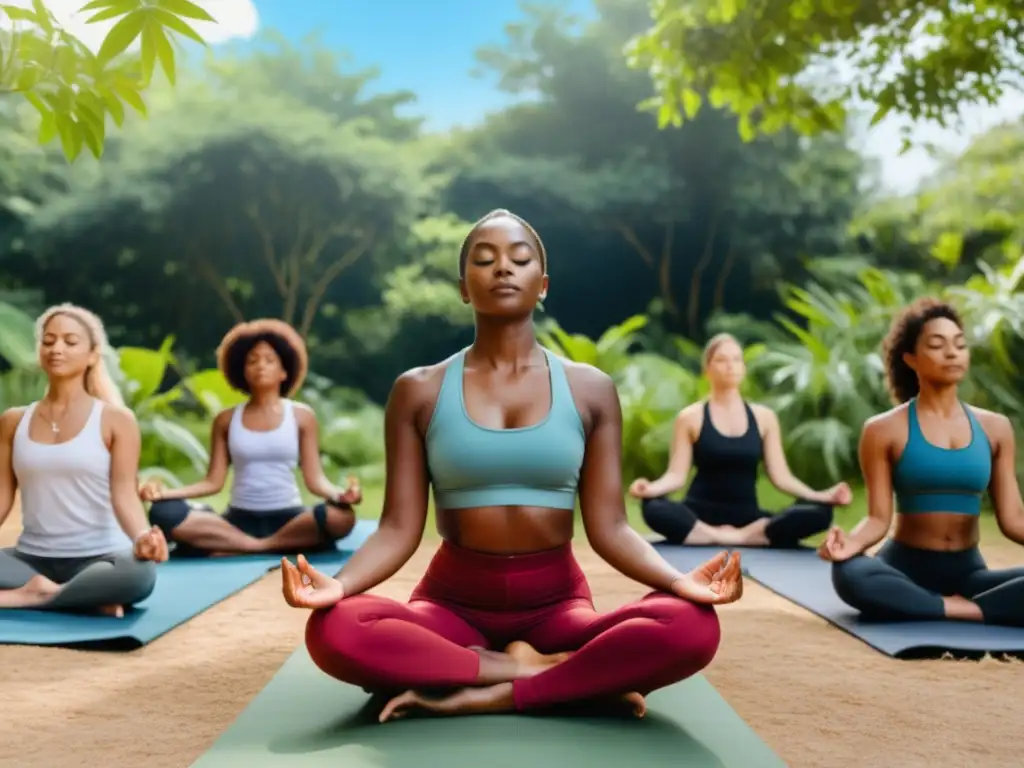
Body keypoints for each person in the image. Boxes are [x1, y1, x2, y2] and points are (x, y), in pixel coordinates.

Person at [278, 209, 742, 723]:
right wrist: (338, 587)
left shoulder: (590, 389)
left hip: (558, 606)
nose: (503, 268)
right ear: (463, 287)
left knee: (693, 626)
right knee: (333, 630)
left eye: (519, 260)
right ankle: (546, 675)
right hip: (451, 603)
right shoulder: (420, 389)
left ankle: (491, 688)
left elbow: (610, 528)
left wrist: (679, 583)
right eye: (485, 259)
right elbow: (397, 528)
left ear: (541, 285)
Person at [820, 298, 1024, 627]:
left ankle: (946, 607)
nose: (952, 352)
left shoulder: (995, 428)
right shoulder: (882, 430)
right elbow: (877, 518)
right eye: (937, 344)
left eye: (960, 344)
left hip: (969, 573)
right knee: (852, 574)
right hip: (903, 568)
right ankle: (968, 610)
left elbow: (1014, 519)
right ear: (911, 358)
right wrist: (850, 544)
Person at [0, 303, 167, 616]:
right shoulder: (13, 421)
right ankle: (84, 599)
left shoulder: (117, 420)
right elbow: (1, 496)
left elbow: (125, 496)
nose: (56, 349)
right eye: (48, 341)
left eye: (70, 341)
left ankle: (32, 597)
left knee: (138, 575)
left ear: (92, 355)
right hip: (30, 561)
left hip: (101, 560)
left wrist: (143, 538)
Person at [143, 319, 361, 558]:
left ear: (284, 371)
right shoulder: (226, 420)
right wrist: (165, 495)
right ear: (241, 370)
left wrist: (341, 496)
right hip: (237, 520)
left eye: (269, 360)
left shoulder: (302, 416)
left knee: (341, 517)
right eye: (252, 361)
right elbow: (213, 482)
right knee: (163, 512)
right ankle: (269, 545)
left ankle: (241, 546)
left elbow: (315, 480)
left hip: (291, 519)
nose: (260, 366)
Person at [628, 333, 851, 548]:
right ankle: (733, 536)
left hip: (748, 517)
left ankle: (723, 536)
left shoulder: (764, 418)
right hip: (699, 514)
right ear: (707, 369)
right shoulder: (690, 418)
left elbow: (781, 477)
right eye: (721, 360)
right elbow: (676, 476)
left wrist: (820, 496)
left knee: (821, 511)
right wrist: (650, 488)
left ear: (743, 368)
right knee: (654, 506)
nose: (730, 366)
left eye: (736, 360)